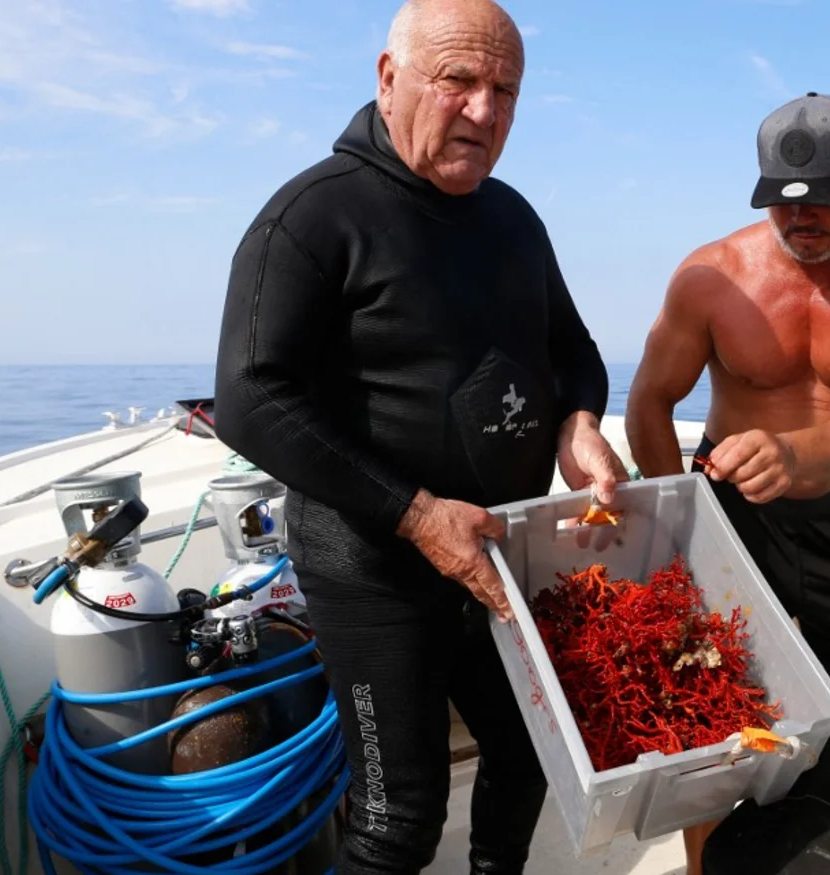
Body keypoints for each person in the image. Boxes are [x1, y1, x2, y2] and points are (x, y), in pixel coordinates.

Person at [211, 0, 627, 872]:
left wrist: (578, 422)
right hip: (373, 566)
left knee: (530, 755)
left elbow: (573, 350)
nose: (485, 110)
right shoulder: (314, 217)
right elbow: (251, 398)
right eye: (460, 81)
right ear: (389, 78)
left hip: (497, 552)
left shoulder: (512, 218)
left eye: (505, 89)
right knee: (398, 817)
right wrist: (417, 514)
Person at [625, 91, 830, 875]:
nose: (803, 223)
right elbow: (649, 399)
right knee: (709, 720)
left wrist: (800, 454)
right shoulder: (711, 276)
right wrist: (678, 524)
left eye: (826, 205)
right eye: (783, 205)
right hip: (726, 508)